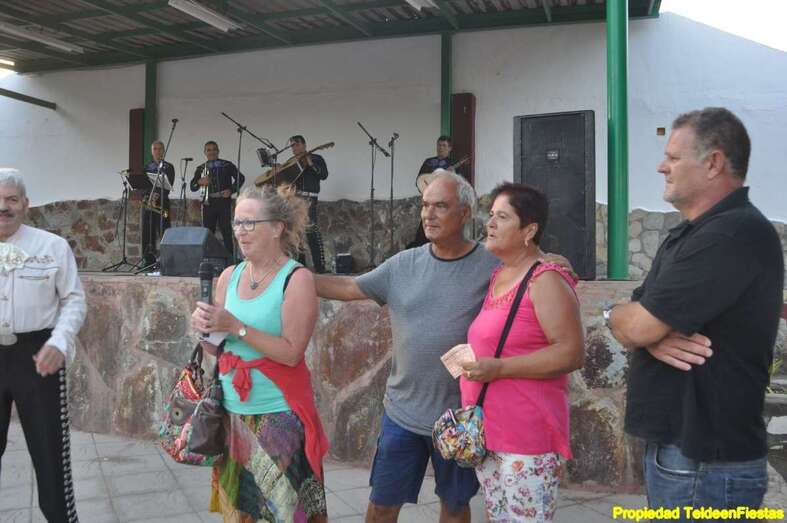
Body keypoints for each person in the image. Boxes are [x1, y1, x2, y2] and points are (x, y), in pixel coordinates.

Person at [606, 108, 784, 515]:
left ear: (713, 163)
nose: (660, 166)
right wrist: (631, 324)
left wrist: (643, 329)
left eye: (673, 156)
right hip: (687, 458)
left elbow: (641, 324)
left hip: (706, 463)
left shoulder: (730, 233)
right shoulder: (694, 232)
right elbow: (633, 316)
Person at [315, 171, 499, 523]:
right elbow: (350, 287)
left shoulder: (491, 268)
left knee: (456, 507)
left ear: (464, 213)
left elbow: (529, 271)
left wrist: (554, 263)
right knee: (381, 507)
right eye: (425, 205)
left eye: (440, 206)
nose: (428, 214)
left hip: (461, 416)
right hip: (403, 414)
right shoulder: (403, 264)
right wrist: (292, 276)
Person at [191, 184, 328, 522]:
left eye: (249, 223)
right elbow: (216, 347)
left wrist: (236, 325)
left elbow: (292, 353)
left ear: (278, 227)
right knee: (241, 515)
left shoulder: (296, 279)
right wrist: (205, 331)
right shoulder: (228, 276)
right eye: (237, 223)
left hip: (278, 419)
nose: (240, 231)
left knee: (283, 515)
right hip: (233, 417)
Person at [459, 182, 584, 522]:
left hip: (526, 437)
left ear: (529, 230)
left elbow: (571, 353)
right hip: (490, 433)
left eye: (502, 217)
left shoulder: (545, 280)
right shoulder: (500, 274)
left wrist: (499, 368)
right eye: (491, 215)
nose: (490, 224)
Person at [0, 168, 87, 523]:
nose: (3, 207)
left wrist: (59, 342)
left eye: (11, 199)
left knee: (50, 451)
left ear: (25, 204)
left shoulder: (52, 247)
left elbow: (74, 300)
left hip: (38, 355)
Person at [190, 141, 245, 256]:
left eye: (214, 149)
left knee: (226, 231)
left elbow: (241, 178)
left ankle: (230, 259)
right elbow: (192, 187)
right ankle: (208, 258)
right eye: (208, 150)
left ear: (218, 151)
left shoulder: (227, 165)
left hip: (223, 202)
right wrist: (200, 181)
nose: (212, 152)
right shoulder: (200, 168)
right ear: (205, 152)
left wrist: (231, 190)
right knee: (208, 232)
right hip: (208, 203)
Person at [409, 136, 462, 249]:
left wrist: (453, 175)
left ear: (450, 148)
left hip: (445, 203)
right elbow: (420, 181)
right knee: (424, 229)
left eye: (444, 146)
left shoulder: (454, 163)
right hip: (430, 200)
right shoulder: (429, 162)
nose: (440, 148)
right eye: (439, 145)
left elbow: (460, 185)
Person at [289, 135, 329, 274]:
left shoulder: (317, 158)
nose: (294, 148)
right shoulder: (291, 162)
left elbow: (323, 175)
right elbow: (286, 180)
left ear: (304, 144)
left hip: (310, 199)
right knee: (297, 234)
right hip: (295, 200)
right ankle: (300, 267)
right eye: (292, 146)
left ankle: (320, 267)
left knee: (312, 231)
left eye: (296, 144)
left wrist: (310, 163)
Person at [141, 140, 175, 267]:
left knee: (164, 231)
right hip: (148, 203)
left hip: (162, 203)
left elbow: (168, 185)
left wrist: (156, 195)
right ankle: (147, 261)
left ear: (164, 151)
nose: (158, 151)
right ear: (152, 151)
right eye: (155, 149)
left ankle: (167, 262)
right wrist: (148, 196)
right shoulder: (146, 167)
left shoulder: (169, 167)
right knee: (147, 232)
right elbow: (142, 185)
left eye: (160, 149)